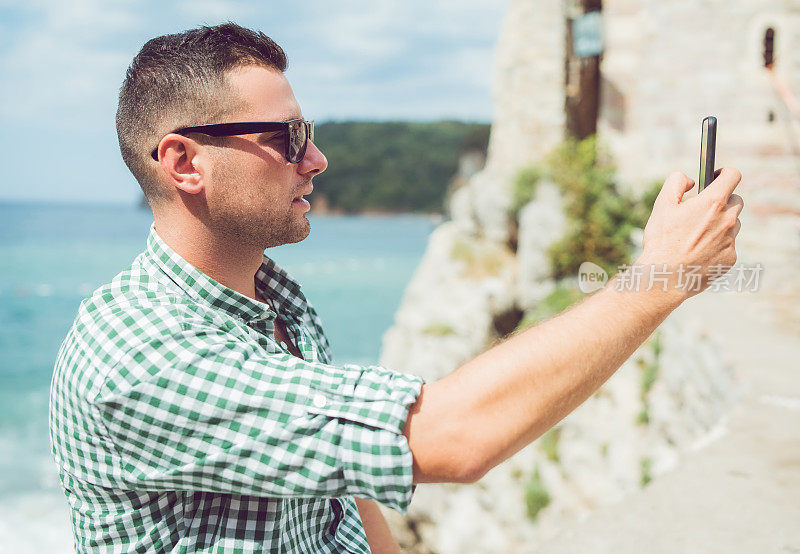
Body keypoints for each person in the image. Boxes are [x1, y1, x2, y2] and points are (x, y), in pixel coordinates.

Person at [49, 22, 744, 554]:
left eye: (309, 132)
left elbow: (339, 479)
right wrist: (663, 276)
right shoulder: (135, 356)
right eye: (287, 136)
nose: (316, 159)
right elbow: (448, 437)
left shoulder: (273, 301)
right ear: (184, 162)